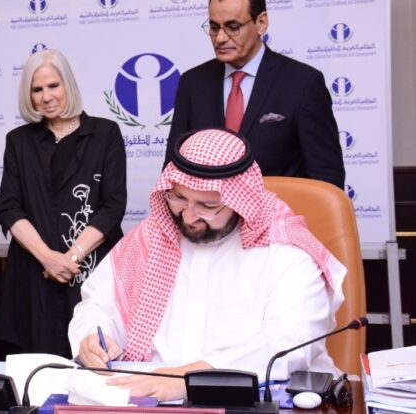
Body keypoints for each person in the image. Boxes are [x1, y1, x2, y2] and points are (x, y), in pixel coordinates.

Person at [70, 128, 346, 401]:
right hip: (146, 396)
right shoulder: (151, 235)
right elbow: (98, 304)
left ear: (240, 200)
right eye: (179, 198)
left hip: (249, 398)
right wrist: (92, 335)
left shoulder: (286, 251)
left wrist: (189, 378)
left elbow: (289, 343)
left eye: (207, 206)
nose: (188, 217)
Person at [0, 49, 127, 357]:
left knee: (94, 358)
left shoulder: (105, 134)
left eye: (53, 85)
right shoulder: (18, 141)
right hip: (33, 275)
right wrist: (47, 258)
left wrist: (70, 258)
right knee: (34, 368)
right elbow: (9, 207)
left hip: (88, 271)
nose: (46, 97)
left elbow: (112, 206)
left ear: (68, 84)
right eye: (37, 89)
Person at [164, 0, 345, 189]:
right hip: (206, 210)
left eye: (233, 27)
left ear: (261, 23)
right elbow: (173, 170)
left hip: (279, 209)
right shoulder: (193, 83)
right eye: (214, 27)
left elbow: (326, 182)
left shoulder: (303, 83)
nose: (220, 38)